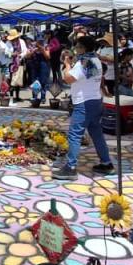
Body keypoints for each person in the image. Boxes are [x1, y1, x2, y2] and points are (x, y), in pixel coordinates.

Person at [52, 35, 114, 180]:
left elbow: (68, 79)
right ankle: (106, 162)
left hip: (84, 103)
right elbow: (87, 78)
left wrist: (67, 65)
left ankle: (71, 167)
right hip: (96, 100)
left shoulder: (84, 62)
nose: (75, 49)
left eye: (78, 46)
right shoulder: (95, 60)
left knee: (75, 134)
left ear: (84, 48)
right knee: (96, 133)